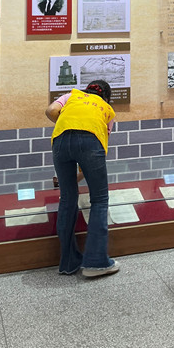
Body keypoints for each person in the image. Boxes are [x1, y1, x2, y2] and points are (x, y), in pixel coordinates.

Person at [45, 80, 119, 278]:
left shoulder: (72, 96)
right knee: (99, 200)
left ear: (86, 89)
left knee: (67, 199)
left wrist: (68, 124)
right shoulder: (107, 109)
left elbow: (51, 110)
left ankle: (68, 263)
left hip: (60, 139)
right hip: (90, 142)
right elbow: (94, 154)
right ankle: (96, 263)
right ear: (106, 97)